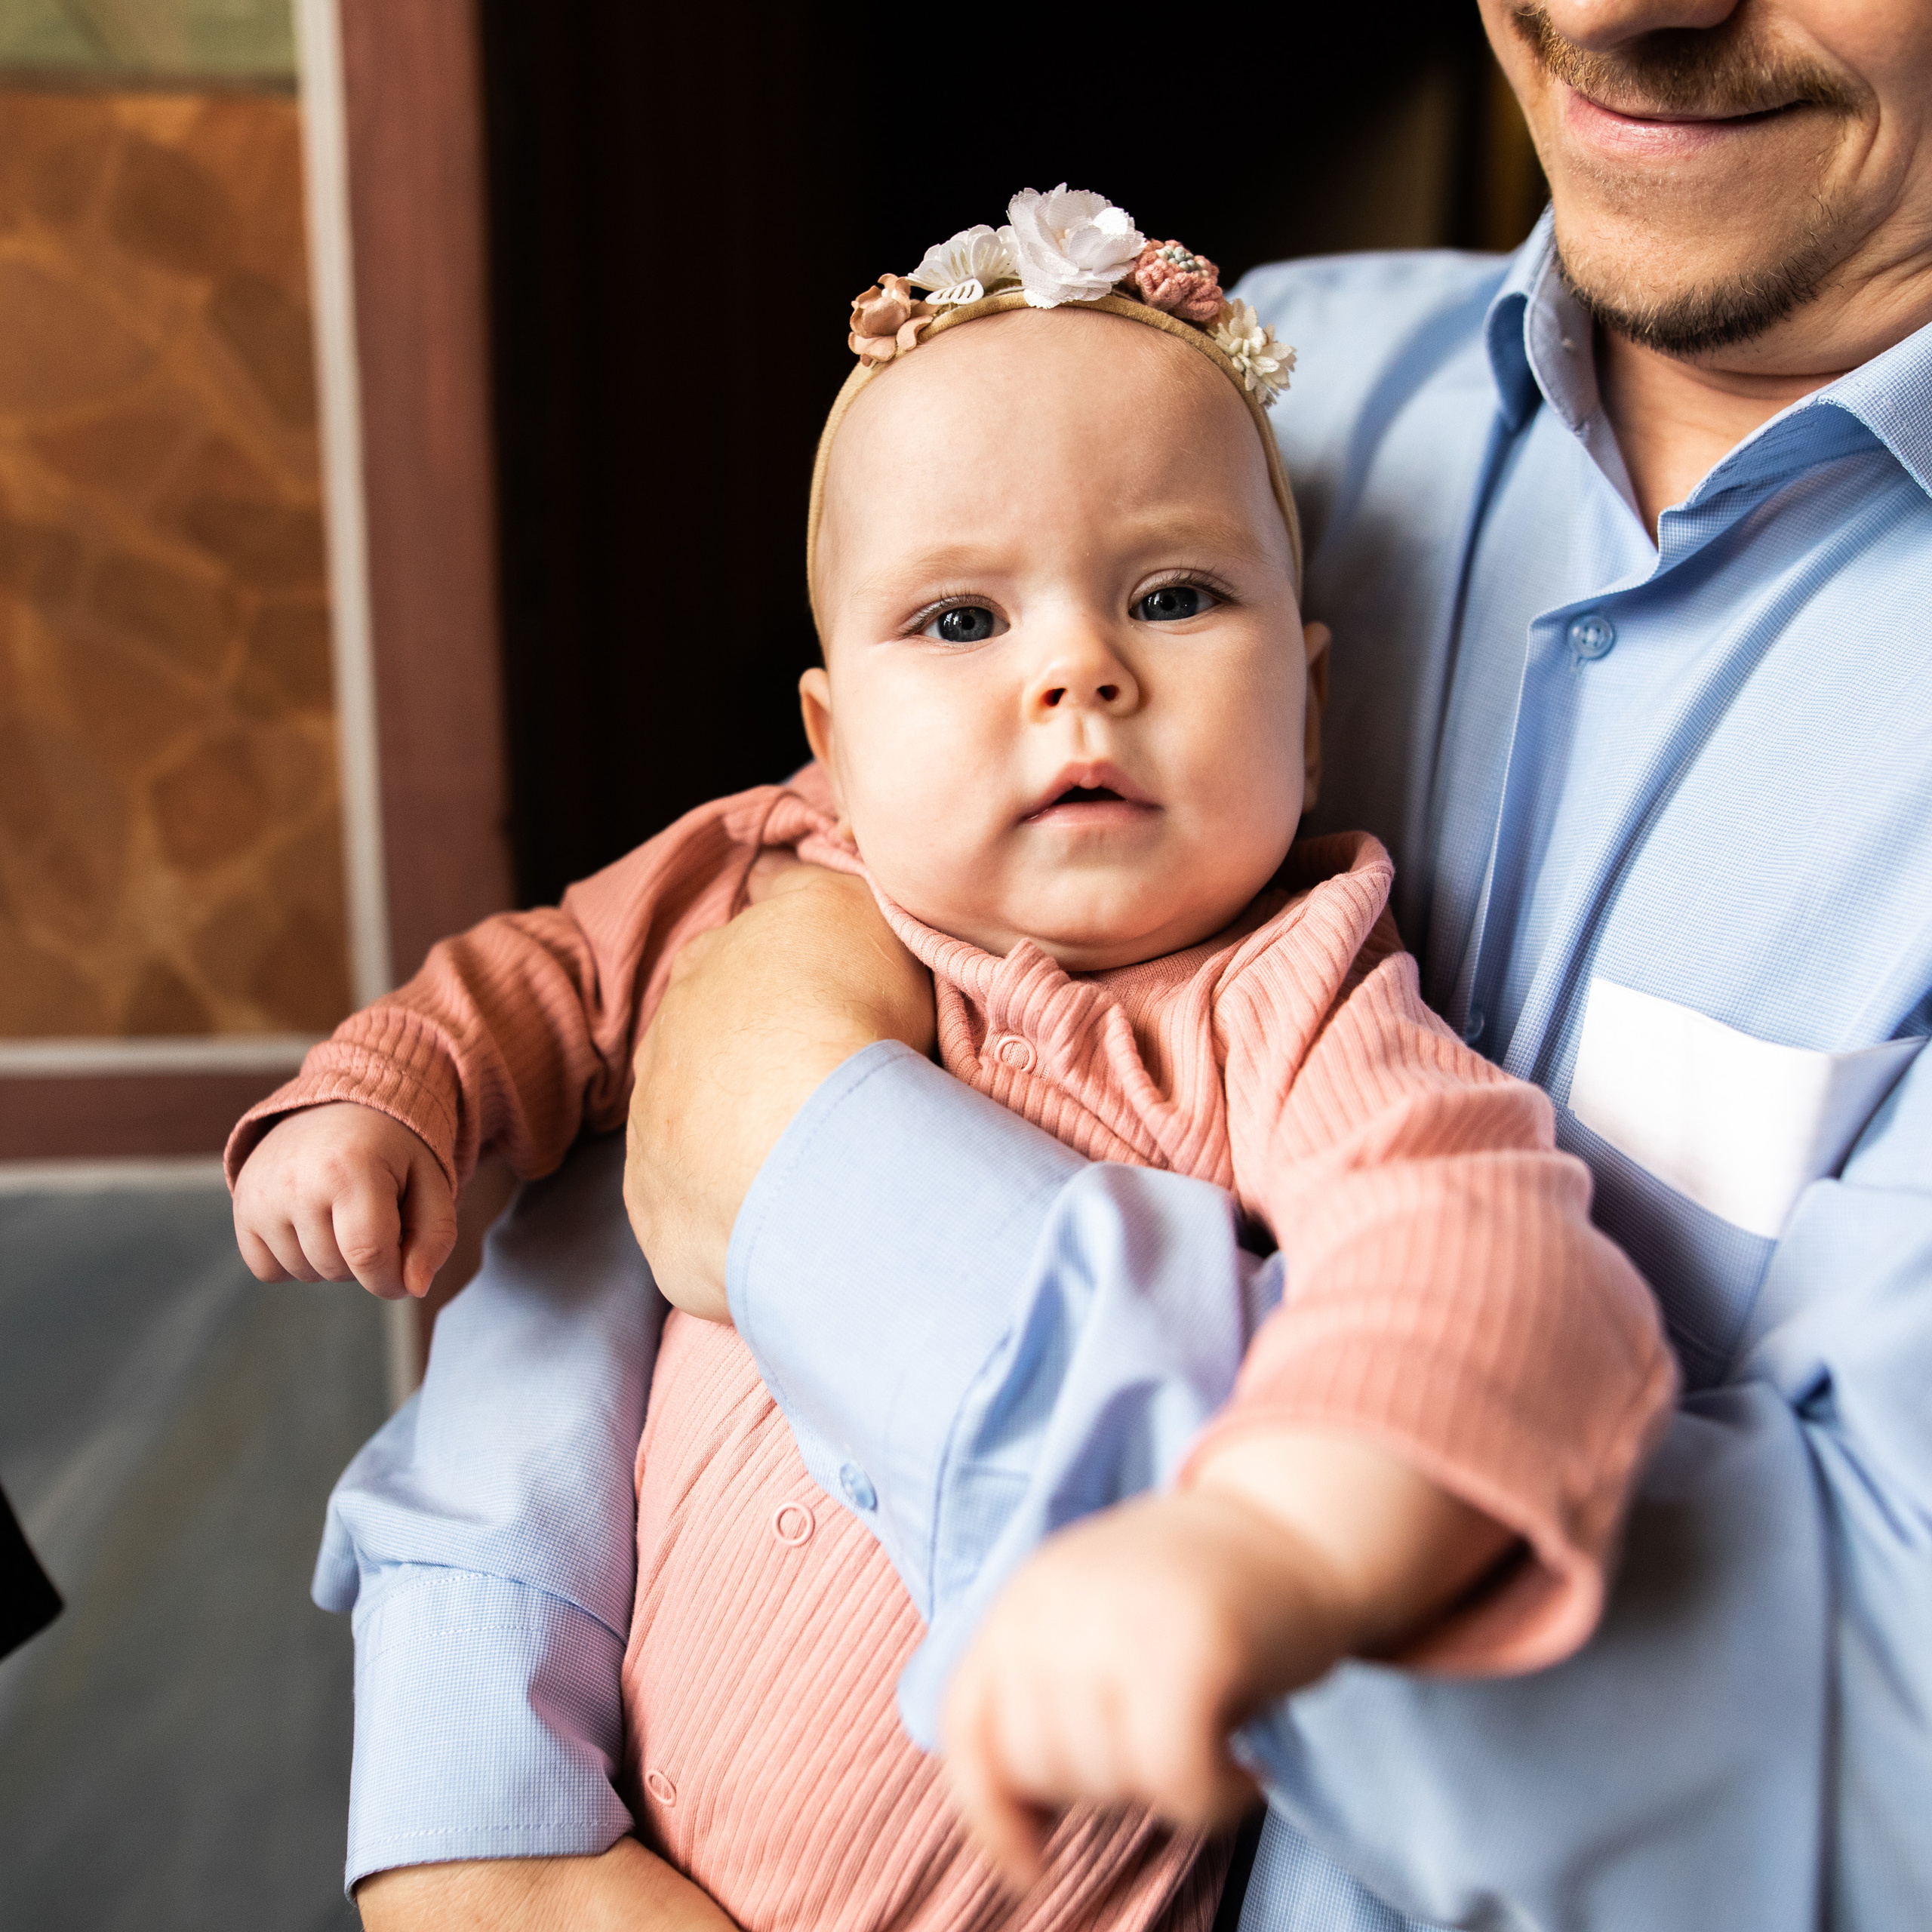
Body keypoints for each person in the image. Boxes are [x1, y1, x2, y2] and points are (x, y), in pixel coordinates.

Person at [310, 0, 1932, 1924]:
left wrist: (804, 1156)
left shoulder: (1288, 979)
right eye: (963, 620)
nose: (1605, 12)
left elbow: (1845, 1770)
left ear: (1307, 697)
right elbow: (601, 1062)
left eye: (1170, 602)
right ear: (825, 725)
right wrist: (477, 1791)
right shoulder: (1215, 388)